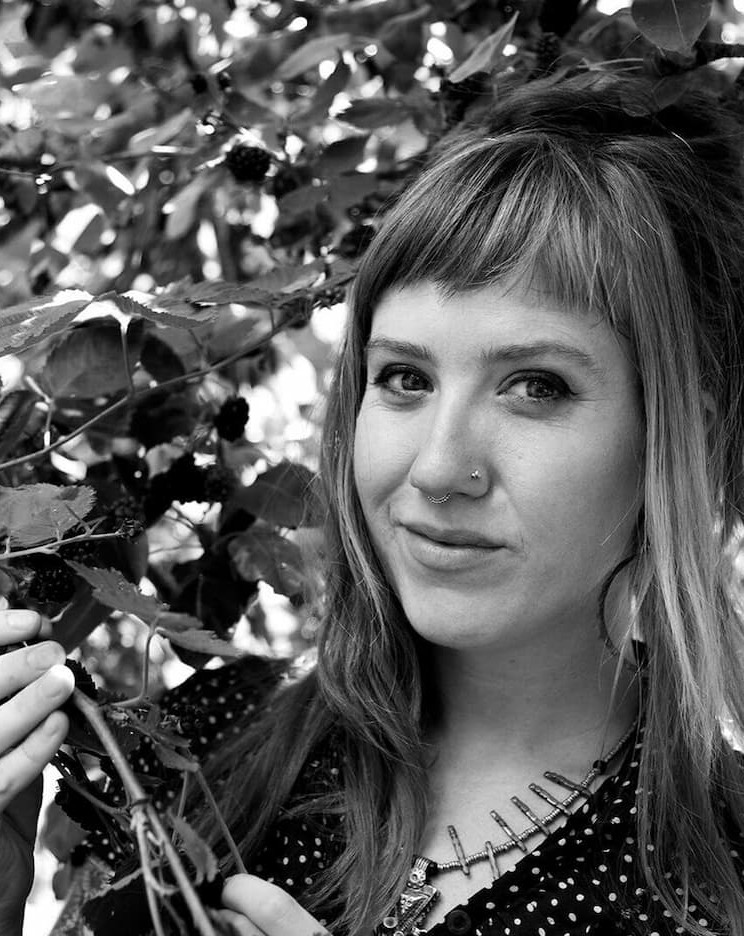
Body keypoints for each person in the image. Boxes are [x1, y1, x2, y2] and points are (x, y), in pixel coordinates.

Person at [3, 71, 744, 936]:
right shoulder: (202, 741)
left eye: (536, 386)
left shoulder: (720, 878)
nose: (440, 468)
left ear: (678, 438)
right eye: (405, 378)